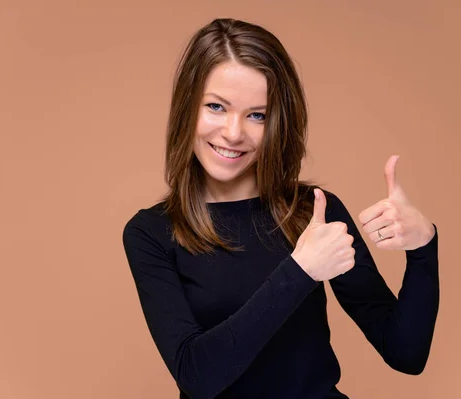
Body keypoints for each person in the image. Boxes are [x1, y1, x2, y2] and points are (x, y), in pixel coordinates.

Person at [122, 18, 439, 399]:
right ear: (187, 107)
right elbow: (197, 376)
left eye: (257, 114)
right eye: (216, 107)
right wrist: (300, 271)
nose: (234, 132)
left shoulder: (313, 212)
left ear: (277, 123)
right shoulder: (152, 233)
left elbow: (405, 353)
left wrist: (423, 247)